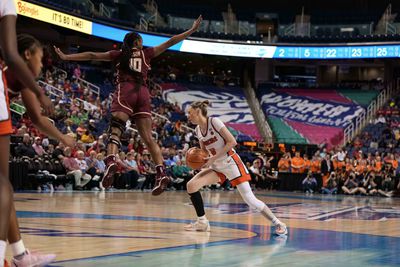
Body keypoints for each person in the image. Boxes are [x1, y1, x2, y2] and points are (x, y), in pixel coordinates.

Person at [54, 15, 203, 195]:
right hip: (144, 93)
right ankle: (161, 172)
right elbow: (171, 41)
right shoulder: (147, 53)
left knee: (116, 128)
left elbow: (92, 55)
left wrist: (67, 56)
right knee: (148, 138)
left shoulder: (119, 55)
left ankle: (110, 161)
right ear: (138, 42)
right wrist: (191, 30)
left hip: (126, 90)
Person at [0, 30, 73, 267]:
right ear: (27, 54)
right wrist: (64, 139)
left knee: (5, 190)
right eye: (40, 59)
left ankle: (20, 256)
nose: (42, 65)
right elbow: (38, 119)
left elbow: (36, 118)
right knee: (3, 190)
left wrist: (62, 138)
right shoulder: (16, 71)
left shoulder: (16, 76)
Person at [184, 101, 287, 236]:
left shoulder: (214, 122)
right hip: (217, 166)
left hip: (231, 163)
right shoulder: (198, 130)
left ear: (198, 112)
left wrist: (213, 159)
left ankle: (278, 223)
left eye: (190, 113)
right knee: (191, 185)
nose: (188, 116)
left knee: (250, 200)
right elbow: (205, 153)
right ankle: (202, 222)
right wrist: (201, 162)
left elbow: (232, 142)